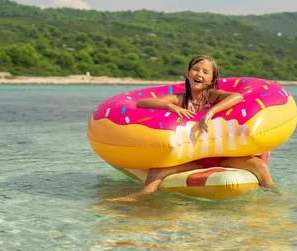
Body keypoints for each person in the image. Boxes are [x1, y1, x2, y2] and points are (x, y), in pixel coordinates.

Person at [112, 55, 279, 201]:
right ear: (187, 74)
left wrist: (211, 112)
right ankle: (142, 198)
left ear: (211, 80)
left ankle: (274, 195)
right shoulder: (180, 99)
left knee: (259, 166)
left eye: (205, 72)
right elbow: (142, 102)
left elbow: (237, 96)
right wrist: (172, 107)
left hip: (220, 156)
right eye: (195, 70)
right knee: (156, 172)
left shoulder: (213, 96)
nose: (199, 74)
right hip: (194, 159)